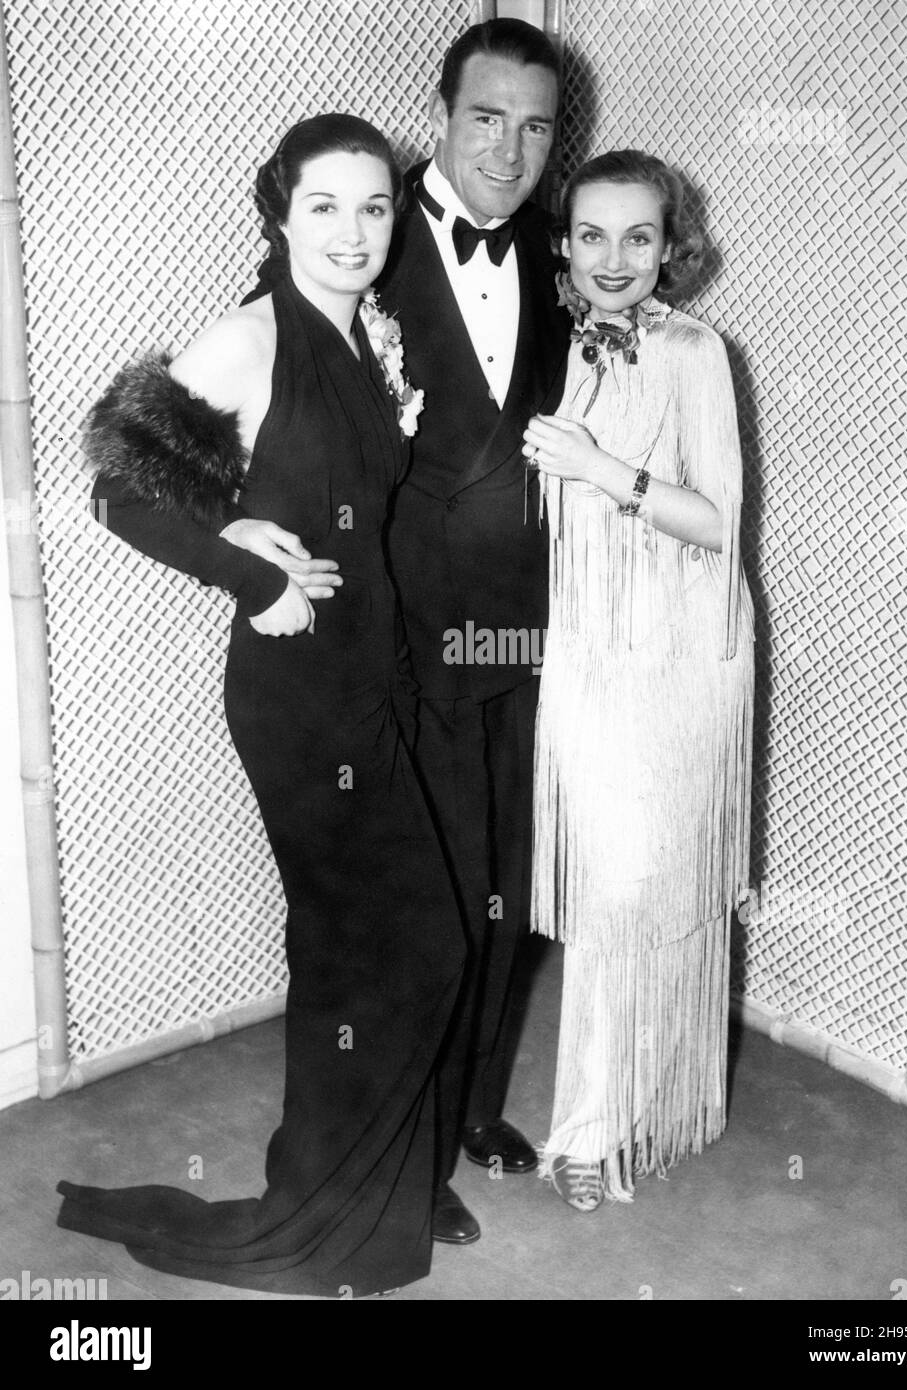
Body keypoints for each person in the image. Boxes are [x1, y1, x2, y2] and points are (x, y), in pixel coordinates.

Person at [55, 114, 466, 1297]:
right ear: (279, 217)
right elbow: (116, 496)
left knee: (391, 946)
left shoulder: (364, 335)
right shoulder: (252, 337)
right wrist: (252, 573)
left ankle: (344, 1196)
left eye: (375, 207)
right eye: (324, 207)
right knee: (381, 944)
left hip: (373, 680)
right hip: (302, 701)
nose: (353, 231)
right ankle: (325, 1214)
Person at [523, 150, 754, 1209]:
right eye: (591, 234)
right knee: (610, 893)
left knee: (650, 892)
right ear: (563, 242)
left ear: (672, 246)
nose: (613, 259)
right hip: (585, 658)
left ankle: (602, 1125)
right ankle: (612, 1113)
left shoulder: (698, 351)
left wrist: (605, 473)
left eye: (638, 237)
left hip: (678, 656)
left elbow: (718, 525)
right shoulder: (549, 348)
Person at [376, 16, 571, 1245]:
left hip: (518, 633)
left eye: (536, 124)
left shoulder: (565, 253)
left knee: (507, 887)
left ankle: (471, 1110)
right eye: (486, 117)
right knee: (422, 902)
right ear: (441, 111)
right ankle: (402, 1135)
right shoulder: (364, 224)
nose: (509, 149)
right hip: (399, 636)